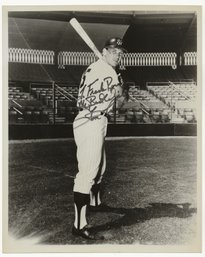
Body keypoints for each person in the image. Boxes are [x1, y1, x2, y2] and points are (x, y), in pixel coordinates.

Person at [72, 38, 127, 240]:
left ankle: (94, 203)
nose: (117, 56)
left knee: (101, 168)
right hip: (90, 120)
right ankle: (79, 225)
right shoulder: (102, 70)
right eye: (113, 52)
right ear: (104, 52)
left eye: (120, 53)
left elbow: (118, 102)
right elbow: (115, 99)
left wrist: (117, 87)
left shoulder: (102, 68)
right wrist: (117, 86)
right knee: (87, 173)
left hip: (96, 120)